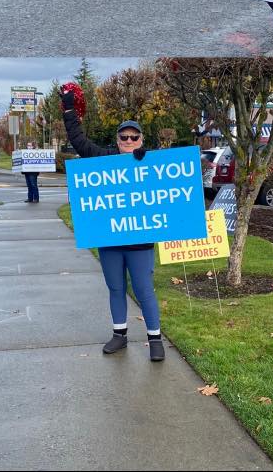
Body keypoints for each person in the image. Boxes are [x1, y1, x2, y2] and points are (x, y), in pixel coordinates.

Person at [60, 88, 165, 362]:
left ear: (141, 139)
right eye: (124, 137)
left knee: (144, 290)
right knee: (116, 288)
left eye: (134, 137)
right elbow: (79, 142)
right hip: (110, 240)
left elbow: (173, 183)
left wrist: (148, 159)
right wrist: (69, 109)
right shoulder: (104, 159)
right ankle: (120, 334)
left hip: (140, 243)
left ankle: (155, 339)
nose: (129, 141)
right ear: (117, 140)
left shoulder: (151, 162)